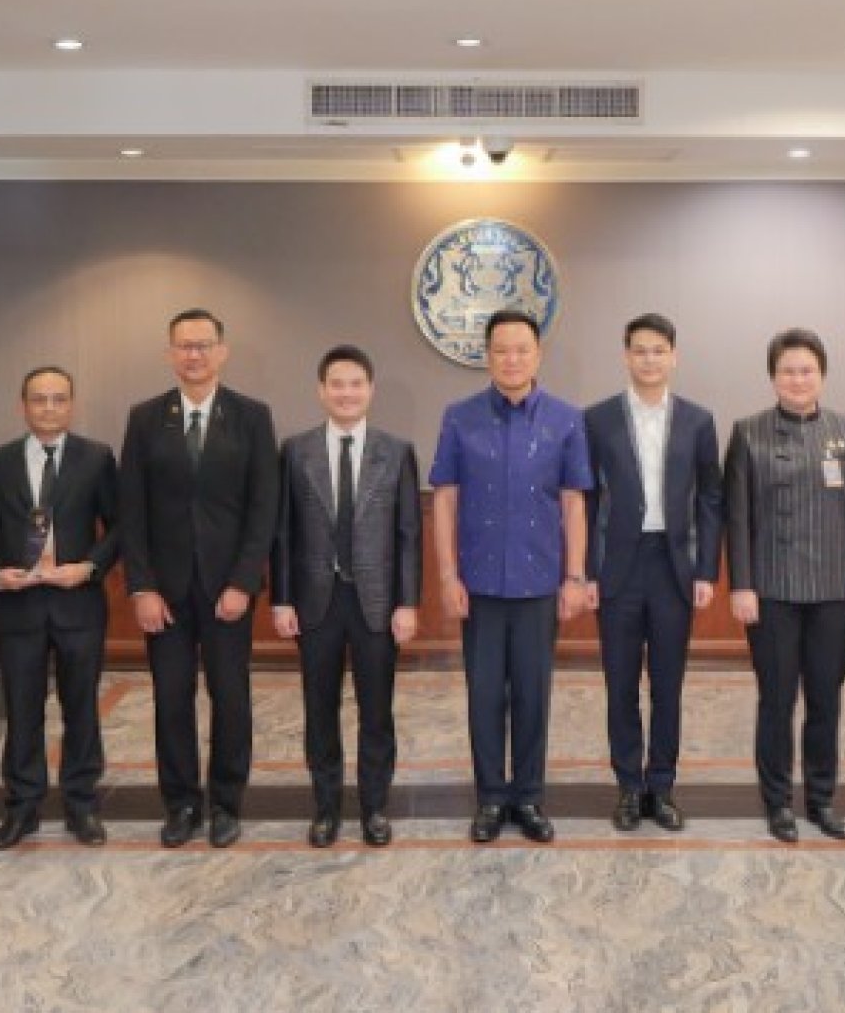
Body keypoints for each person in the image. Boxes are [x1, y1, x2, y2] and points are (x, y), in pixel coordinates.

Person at [431, 309, 593, 843]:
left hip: (539, 582)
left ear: (538, 354)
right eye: (501, 350)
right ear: (487, 356)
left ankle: (528, 797)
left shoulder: (566, 420)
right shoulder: (460, 417)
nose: (511, 359)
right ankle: (490, 799)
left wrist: (575, 576)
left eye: (522, 349)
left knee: (532, 694)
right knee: (483, 696)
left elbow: (573, 503)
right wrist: (448, 575)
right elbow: (446, 500)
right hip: (478, 585)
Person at [119, 308, 277, 849]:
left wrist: (243, 582)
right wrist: (141, 586)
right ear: (170, 354)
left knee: (231, 698)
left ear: (221, 352)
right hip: (163, 593)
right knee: (171, 699)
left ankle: (227, 802)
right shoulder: (145, 419)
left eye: (203, 345)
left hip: (227, 590)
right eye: (184, 346)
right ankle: (181, 803)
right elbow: (131, 509)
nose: (194, 355)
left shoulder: (252, 417)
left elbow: (263, 507)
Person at [725, 328, 845, 843]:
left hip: (835, 590)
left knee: (825, 699)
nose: (797, 379)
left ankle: (821, 799)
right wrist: (741, 585)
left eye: (807, 370)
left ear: (822, 375)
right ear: (773, 377)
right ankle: (777, 803)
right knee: (776, 701)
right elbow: (737, 517)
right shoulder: (748, 433)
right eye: (788, 371)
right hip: (771, 591)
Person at [271, 345, 422, 848]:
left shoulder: (395, 451)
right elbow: (283, 532)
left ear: (370, 390)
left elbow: (408, 533)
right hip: (315, 602)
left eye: (356, 384)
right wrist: (281, 599)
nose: (346, 393)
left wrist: (408, 603)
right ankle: (326, 808)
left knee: (377, 712)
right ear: (321, 390)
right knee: (320, 710)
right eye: (337, 384)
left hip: (377, 604)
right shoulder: (296, 451)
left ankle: (374, 808)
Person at [584, 313, 724, 832]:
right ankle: (628, 786)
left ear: (673, 356)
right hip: (617, 568)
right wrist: (588, 571)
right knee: (620, 683)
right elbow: (585, 499)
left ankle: (661, 786)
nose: (649, 359)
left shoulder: (698, 421)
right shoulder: (597, 419)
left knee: (668, 685)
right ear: (626, 356)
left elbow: (711, 498)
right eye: (640, 350)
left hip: (673, 567)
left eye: (658, 350)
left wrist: (706, 569)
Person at [0, 366, 120, 851]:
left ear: (71, 405)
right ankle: (22, 808)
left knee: (82, 709)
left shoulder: (97, 458)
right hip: (19, 606)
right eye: (39, 399)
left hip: (78, 605)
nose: (49, 408)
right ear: (23, 406)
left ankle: (82, 805)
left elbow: (120, 525)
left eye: (59, 399)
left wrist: (90, 568)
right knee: (21, 710)